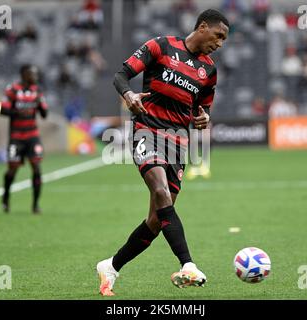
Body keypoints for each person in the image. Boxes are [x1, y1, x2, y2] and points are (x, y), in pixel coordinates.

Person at [96, 9, 229, 296]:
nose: (220, 43)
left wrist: (203, 118)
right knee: (161, 195)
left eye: (224, 40)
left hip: (179, 143)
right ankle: (188, 264)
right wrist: (129, 95)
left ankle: (111, 266)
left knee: (157, 221)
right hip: (147, 132)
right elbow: (121, 75)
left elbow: (202, 110)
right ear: (203, 26)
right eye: (218, 36)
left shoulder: (209, 71)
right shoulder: (161, 46)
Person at [0, 64, 49, 214]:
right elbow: (3, 109)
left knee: (36, 168)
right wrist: (18, 110)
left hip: (32, 136)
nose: (35, 76)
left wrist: (41, 104)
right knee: (12, 170)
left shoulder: (37, 91)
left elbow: (44, 114)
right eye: (32, 74)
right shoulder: (12, 90)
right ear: (24, 75)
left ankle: (35, 205)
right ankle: (6, 196)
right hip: (16, 137)